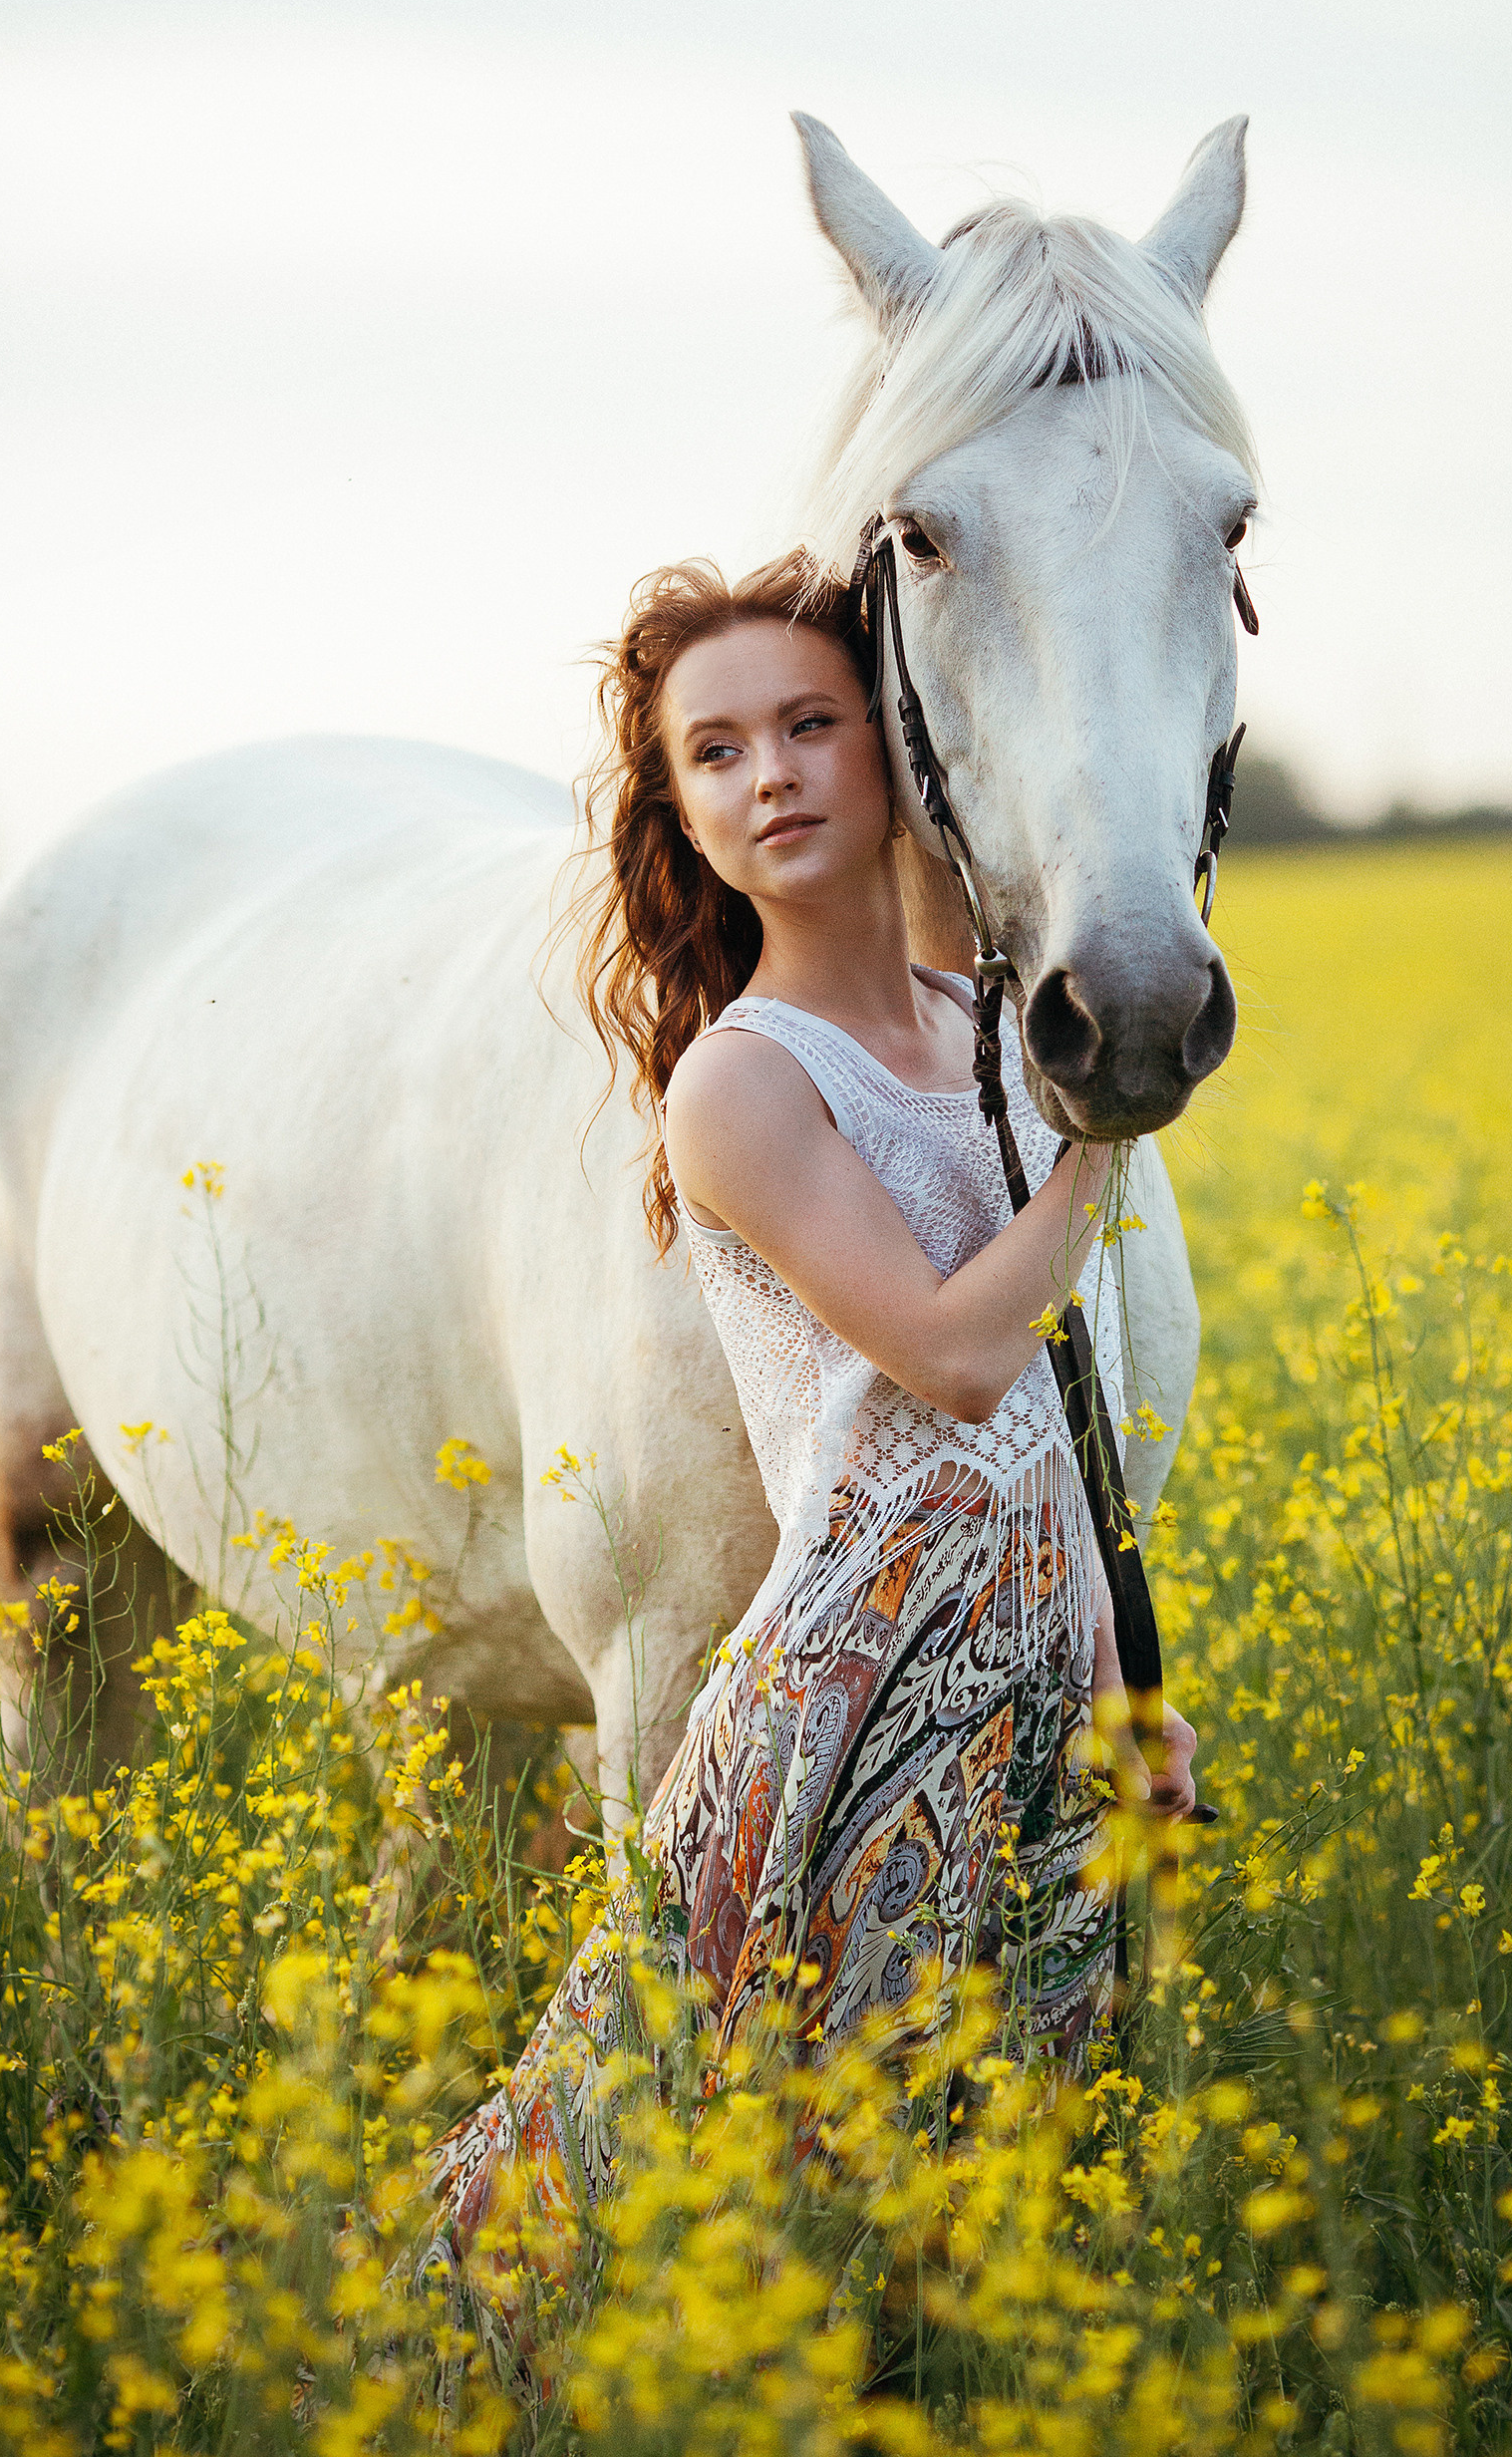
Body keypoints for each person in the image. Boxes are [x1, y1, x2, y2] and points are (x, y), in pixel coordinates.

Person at [424, 549, 1196, 2323]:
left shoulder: (994, 1029)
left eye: (807, 725)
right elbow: (951, 1362)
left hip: (1033, 1680)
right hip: (854, 1687)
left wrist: (1118, 1680)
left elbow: (1060, 1426)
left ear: (888, 755)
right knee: (758, 2182)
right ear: (681, 817)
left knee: (1015, 2191)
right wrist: (1105, 1131)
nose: (768, 773)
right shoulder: (738, 1080)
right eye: (714, 752)